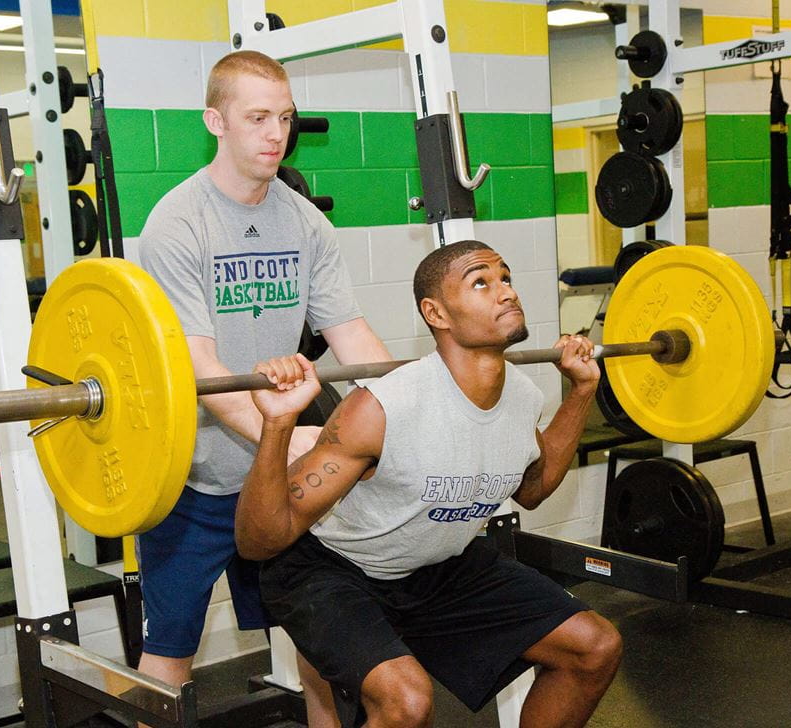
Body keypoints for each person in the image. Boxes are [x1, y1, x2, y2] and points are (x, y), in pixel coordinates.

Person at [236, 240, 623, 728]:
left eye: (506, 277)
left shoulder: (523, 397)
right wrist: (277, 425)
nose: (505, 292)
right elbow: (258, 542)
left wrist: (582, 391)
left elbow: (533, 488)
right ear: (435, 313)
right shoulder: (381, 408)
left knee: (594, 647)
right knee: (408, 702)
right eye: (480, 282)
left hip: (437, 566)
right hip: (333, 570)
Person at [136, 49, 389, 726]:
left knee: (317, 636)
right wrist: (296, 436)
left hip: (278, 478)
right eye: (256, 118)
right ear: (215, 120)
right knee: (168, 658)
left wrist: (405, 414)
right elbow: (203, 371)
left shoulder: (307, 223)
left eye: (284, 117)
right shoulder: (177, 223)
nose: (276, 133)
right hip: (192, 479)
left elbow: (354, 339)